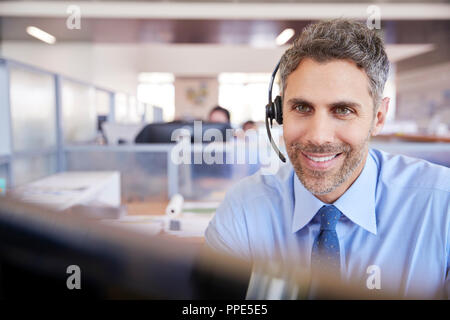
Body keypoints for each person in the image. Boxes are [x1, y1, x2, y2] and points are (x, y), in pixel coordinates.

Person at [205, 19, 450, 299]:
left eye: (343, 110)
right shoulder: (244, 211)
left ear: (378, 117)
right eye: (301, 107)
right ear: (279, 112)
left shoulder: (442, 206)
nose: (319, 137)